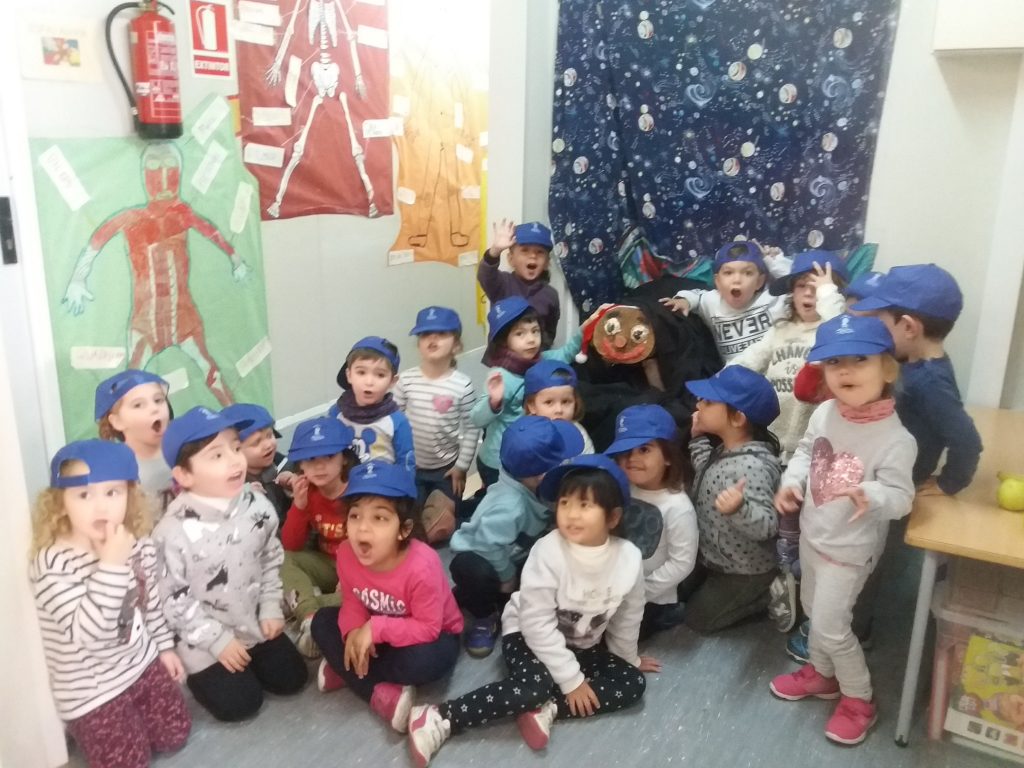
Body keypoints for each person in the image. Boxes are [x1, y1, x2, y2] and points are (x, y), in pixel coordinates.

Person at [407, 454, 659, 768]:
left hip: (580, 644)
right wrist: (572, 680)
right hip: (527, 636)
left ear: (613, 517)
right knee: (533, 687)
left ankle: (547, 708)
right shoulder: (548, 551)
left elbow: (628, 615)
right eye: (565, 503)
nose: (571, 514)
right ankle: (440, 716)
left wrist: (629, 657)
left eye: (585, 505)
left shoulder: (629, 558)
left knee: (632, 682)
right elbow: (536, 624)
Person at [770, 314, 916, 745]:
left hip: (850, 551)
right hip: (814, 536)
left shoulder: (896, 439)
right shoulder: (825, 412)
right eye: (834, 362)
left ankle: (859, 699)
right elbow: (805, 452)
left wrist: (872, 494)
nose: (845, 371)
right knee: (813, 611)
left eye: (859, 359)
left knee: (832, 627)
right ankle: (822, 674)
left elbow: (902, 498)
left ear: (887, 369)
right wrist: (792, 482)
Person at [30, 440, 191, 768]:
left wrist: (164, 648)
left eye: (112, 492)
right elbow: (90, 636)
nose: (100, 507)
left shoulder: (137, 542)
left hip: (140, 664)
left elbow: (150, 603)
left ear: (130, 495)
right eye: (84, 495)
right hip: (93, 691)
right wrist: (111, 565)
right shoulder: (53, 563)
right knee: (129, 763)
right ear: (60, 501)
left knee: (176, 734)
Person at [154, 406, 308, 722]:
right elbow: (174, 601)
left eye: (236, 448)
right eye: (216, 455)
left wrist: (270, 606)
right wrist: (218, 641)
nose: (235, 460)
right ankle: (209, 670)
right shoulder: (171, 533)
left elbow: (270, 558)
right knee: (242, 704)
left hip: (252, 621)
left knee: (293, 680)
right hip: (203, 637)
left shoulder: (257, 504)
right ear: (184, 475)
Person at [729, 251, 847, 632]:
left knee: (809, 520)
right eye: (802, 286)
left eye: (819, 287)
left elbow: (840, 327)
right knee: (780, 515)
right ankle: (784, 577)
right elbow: (748, 361)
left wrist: (830, 297)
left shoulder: (832, 333)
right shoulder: (780, 330)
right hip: (775, 439)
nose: (809, 293)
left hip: (816, 446)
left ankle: (806, 583)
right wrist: (720, 387)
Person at [309, 461, 463, 733]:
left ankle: (351, 671)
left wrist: (374, 629)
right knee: (321, 622)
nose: (362, 529)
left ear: (404, 529)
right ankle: (371, 681)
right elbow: (353, 602)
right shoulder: (346, 553)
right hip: (382, 632)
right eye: (355, 516)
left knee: (427, 661)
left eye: (379, 518)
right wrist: (353, 632)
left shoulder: (422, 566)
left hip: (433, 634)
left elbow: (428, 628)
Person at [449, 416, 584, 658]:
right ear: (540, 475)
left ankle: (481, 595)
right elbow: (487, 546)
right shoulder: (510, 507)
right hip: (485, 554)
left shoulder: (536, 482)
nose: (567, 463)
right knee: (473, 571)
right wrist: (507, 577)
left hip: (520, 552)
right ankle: (484, 616)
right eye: (561, 461)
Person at [851, 264, 982, 495]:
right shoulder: (909, 361)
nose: (878, 329)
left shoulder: (931, 381)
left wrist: (947, 484)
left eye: (882, 323)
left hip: (897, 484)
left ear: (909, 327)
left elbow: (967, 440)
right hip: (883, 466)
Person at [679, 366, 782, 633]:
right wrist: (697, 440)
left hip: (745, 569)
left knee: (697, 619)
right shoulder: (727, 449)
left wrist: (739, 509)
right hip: (718, 556)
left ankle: (770, 592)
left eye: (708, 402)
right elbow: (706, 470)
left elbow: (768, 526)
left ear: (737, 418)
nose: (698, 405)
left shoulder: (752, 467)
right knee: (680, 593)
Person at [471, 297, 582, 490]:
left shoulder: (542, 360)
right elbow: (476, 419)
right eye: (520, 333)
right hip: (497, 461)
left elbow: (566, 353)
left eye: (535, 331)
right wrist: (493, 401)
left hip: (526, 453)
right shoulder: (502, 376)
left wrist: (585, 329)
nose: (531, 339)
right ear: (504, 340)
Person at [606, 404, 697, 638]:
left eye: (644, 449)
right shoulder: (623, 488)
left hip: (652, 596)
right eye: (625, 451)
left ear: (668, 457)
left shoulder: (678, 507)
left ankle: (672, 613)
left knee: (614, 634)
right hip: (616, 583)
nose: (632, 459)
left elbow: (682, 563)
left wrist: (641, 591)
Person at [393, 306, 480, 542]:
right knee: (409, 520)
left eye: (441, 334)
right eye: (424, 334)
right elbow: (394, 422)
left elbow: (472, 428)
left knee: (441, 525)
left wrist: (461, 466)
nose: (432, 339)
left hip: (446, 469)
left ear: (456, 345)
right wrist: (396, 462)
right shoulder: (406, 381)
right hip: (412, 467)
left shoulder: (462, 385)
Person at [280, 417, 357, 659]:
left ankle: (304, 602)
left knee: (369, 599)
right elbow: (291, 546)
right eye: (311, 459)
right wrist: (299, 506)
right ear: (301, 465)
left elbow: (375, 545)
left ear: (344, 458)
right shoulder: (309, 492)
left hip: (362, 569)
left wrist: (349, 575)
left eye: (329, 456)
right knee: (285, 558)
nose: (320, 467)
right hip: (328, 563)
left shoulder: (359, 489)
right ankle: (310, 618)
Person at [661, 240, 792, 362]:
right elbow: (694, 295)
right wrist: (684, 300)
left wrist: (772, 261)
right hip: (734, 374)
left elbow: (795, 283)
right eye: (728, 273)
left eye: (747, 273)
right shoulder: (712, 301)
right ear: (717, 281)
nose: (737, 280)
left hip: (775, 369)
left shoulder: (772, 297)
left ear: (759, 281)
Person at [95, 369, 174, 515]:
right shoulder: (114, 471)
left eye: (158, 400)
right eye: (138, 405)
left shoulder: (186, 453)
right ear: (117, 422)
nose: (154, 409)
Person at [329, 336, 415, 469]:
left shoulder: (397, 422)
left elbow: (406, 464)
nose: (369, 382)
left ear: (392, 381)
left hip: (383, 481)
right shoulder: (336, 413)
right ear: (349, 375)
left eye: (380, 375)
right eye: (361, 372)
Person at [478, 219, 560, 347]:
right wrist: (495, 251)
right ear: (511, 259)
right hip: (500, 357)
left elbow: (549, 333)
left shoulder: (551, 295)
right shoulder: (502, 284)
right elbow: (485, 275)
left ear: (547, 263)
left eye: (540, 252)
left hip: (535, 356)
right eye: (525, 250)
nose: (533, 256)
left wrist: (542, 353)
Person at [221, 403, 295, 526]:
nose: (268, 445)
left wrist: (294, 489)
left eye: (269, 435)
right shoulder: (225, 487)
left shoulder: (284, 465)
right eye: (256, 442)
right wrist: (242, 500)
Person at [522, 359, 594, 453]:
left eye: (565, 401)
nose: (559, 410)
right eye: (549, 402)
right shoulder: (524, 436)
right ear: (532, 406)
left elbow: (588, 459)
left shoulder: (579, 434)